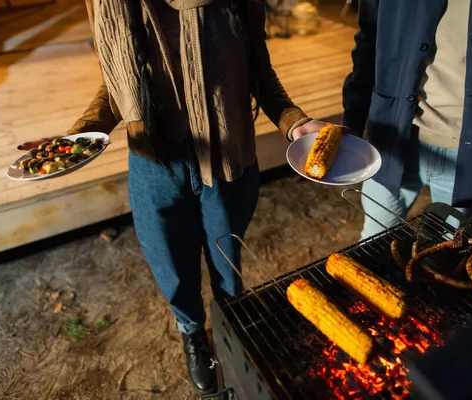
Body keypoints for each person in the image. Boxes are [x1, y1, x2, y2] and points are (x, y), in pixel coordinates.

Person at [35, 0, 322, 396]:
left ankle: (230, 327)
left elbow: (259, 72)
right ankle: (192, 332)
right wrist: (79, 136)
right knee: (170, 264)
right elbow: (116, 84)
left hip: (228, 158)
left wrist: (294, 121)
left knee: (227, 261)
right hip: (154, 163)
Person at [296, 1, 472, 242]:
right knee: (373, 244)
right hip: (389, 137)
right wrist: (353, 117)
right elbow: (370, 37)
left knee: (464, 267)